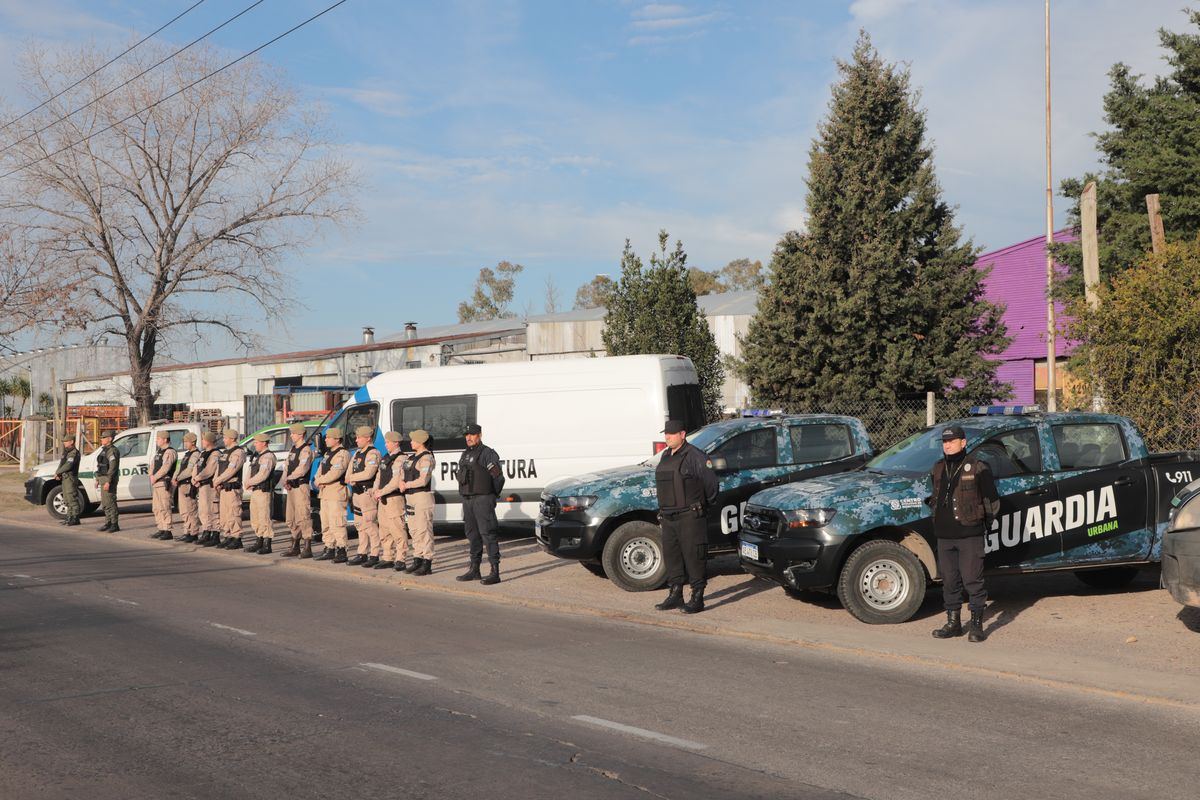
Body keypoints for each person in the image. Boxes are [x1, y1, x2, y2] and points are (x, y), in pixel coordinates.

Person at [928, 424, 1000, 643]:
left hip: (970, 534)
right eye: (945, 442)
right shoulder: (938, 468)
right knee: (949, 581)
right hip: (944, 535)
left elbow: (992, 502)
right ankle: (954, 623)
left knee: (972, 581)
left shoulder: (978, 467)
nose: (948, 445)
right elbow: (936, 496)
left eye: (952, 441)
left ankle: (976, 626)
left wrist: (984, 525)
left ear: (963, 442)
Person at [653, 420, 718, 614]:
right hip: (668, 516)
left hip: (690, 516)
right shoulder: (665, 455)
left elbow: (711, 486)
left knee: (694, 557)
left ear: (682, 434)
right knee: (672, 557)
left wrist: (700, 507)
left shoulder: (696, 456)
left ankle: (697, 597)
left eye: (671, 434)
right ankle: (675, 594)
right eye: (666, 434)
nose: (667, 437)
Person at [456, 423, 505, 585]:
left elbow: (498, 478)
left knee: (488, 534)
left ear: (480, 435)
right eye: (467, 435)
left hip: (483, 499)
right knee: (472, 535)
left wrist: (492, 495)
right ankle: (474, 569)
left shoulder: (487, 454)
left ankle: (495, 572)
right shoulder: (465, 454)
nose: (469, 437)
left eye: (472, 434)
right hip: (468, 500)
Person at [401, 429, 436, 575]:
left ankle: (427, 562)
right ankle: (418, 558)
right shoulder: (411, 457)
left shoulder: (426, 458)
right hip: (410, 497)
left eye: (413, 440)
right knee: (414, 530)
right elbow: (403, 473)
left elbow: (423, 479)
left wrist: (406, 485)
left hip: (422, 497)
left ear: (421, 442)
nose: (410, 442)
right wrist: (401, 482)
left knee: (424, 530)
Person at [345, 426, 381, 567]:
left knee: (370, 524)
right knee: (360, 525)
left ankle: (375, 554)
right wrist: (350, 478)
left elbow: (369, 473)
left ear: (368, 438)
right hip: (357, 493)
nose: (357, 440)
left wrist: (353, 477)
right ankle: (362, 553)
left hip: (367, 493)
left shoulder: (373, 453)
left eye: (359, 437)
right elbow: (348, 472)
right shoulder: (357, 453)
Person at [314, 426, 351, 563]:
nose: (326, 440)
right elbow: (320, 469)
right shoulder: (328, 453)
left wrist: (321, 481)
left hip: (336, 493)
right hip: (325, 493)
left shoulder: (342, 454)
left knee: (337, 522)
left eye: (329, 437)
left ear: (337, 439)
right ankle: (329, 547)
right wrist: (317, 480)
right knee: (326, 523)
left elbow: (336, 472)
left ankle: (341, 549)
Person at [372, 430, 407, 570]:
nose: (385, 444)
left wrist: (382, 491)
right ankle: (387, 557)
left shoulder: (401, 458)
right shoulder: (386, 458)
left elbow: (396, 481)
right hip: (383, 499)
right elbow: (378, 477)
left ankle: (401, 559)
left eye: (388, 442)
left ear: (396, 443)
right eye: (385, 442)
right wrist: (376, 490)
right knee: (384, 531)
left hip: (394, 499)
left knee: (397, 530)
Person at [281, 423, 315, 558]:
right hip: (292, 487)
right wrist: (285, 480)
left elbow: (302, 469)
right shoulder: (293, 449)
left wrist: (289, 478)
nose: (291, 435)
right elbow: (287, 466)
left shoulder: (306, 450)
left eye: (293, 433)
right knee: (291, 518)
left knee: (303, 517)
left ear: (300, 434)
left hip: (301, 487)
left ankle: (307, 547)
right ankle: (295, 545)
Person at [244, 432, 278, 555]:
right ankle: (259, 540)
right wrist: (248, 482)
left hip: (263, 491)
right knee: (256, 517)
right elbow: (251, 470)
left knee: (264, 517)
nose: (255, 444)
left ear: (264, 443)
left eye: (257, 442)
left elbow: (263, 474)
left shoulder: (268, 457)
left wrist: (250, 482)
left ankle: (267, 544)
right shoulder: (258, 456)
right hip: (255, 490)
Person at [213, 428, 246, 550]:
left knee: (234, 513)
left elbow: (231, 470)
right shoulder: (225, 452)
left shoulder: (238, 452)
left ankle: (237, 537)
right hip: (223, 487)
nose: (224, 439)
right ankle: (228, 536)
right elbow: (219, 467)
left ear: (232, 439)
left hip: (232, 488)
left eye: (226, 437)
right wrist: (216, 480)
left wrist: (218, 480)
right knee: (225, 514)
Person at [192, 431, 221, 546]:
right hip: (201, 485)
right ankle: (206, 531)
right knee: (203, 510)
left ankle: (215, 534)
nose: (202, 442)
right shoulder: (203, 453)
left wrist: (198, 478)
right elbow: (196, 466)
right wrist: (195, 479)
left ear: (209, 441)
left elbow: (210, 470)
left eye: (204, 440)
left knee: (212, 510)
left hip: (210, 486)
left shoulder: (215, 454)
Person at [174, 432, 203, 542]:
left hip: (188, 484)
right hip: (182, 484)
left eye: (186, 441)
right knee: (184, 510)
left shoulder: (195, 454)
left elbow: (190, 470)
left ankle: (194, 532)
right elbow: (180, 467)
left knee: (191, 509)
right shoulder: (187, 454)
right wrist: (175, 477)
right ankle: (187, 531)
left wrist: (178, 478)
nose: (185, 443)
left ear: (193, 442)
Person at [149, 431, 178, 540]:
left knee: (165, 507)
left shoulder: (169, 452)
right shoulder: (159, 451)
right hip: (156, 482)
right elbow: (152, 464)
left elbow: (166, 467)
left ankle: (167, 530)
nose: (157, 440)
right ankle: (161, 528)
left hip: (163, 482)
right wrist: (151, 474)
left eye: (158, 438)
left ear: (165, 440)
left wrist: (155, 477)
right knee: (156, 507)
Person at [95, 430, 121, 532]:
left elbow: (112, 468)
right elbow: (100, 466)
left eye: (103, 437)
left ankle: (114, 524)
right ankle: (108, 522)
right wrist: (97, 479)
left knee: (110, 502)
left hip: (108, 479)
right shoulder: (104, 450)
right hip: (102, 478)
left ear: (110, 439)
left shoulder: (112, 451)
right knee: (105, 503)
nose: (101, 439)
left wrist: (108, 481)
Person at [54, 436, 81, 527]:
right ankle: (69, 517)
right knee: (66, 498)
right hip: (65, 477)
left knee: (71, 497)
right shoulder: (66, 452)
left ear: (72, 442)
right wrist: (58, 473)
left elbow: (68, 465)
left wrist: (58, 472)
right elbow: (62, 463)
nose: (64, 443)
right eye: (64, 441)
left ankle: (75, 517)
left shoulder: (74, 453)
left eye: (66, 441)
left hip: (71, 478)